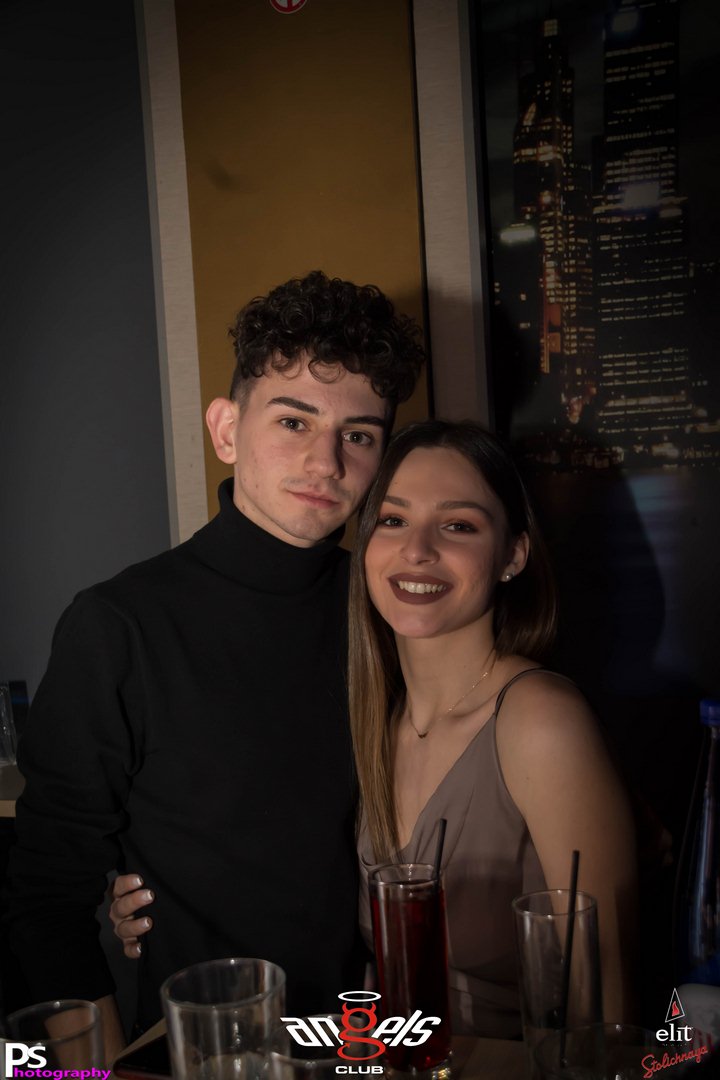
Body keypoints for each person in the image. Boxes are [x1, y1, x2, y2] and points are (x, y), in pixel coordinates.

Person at [5, 270, 424, 1060]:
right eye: (294, 421)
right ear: (227, 430)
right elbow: (46, 897)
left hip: (371, 1044)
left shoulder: (390, 611)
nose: (326, 461)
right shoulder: (118, 626)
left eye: (359, 435)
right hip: (195, 1052)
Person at [112, 420, 638, 1038]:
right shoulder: (371, 719)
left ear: (512, 555)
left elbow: (611, 1008)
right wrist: (158, 895)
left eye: (458, 525)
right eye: (391, 520)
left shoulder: (540, 719)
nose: (417, 550)